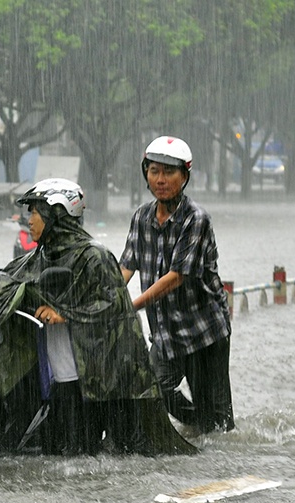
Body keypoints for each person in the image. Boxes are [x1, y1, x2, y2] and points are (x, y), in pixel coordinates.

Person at [0, 178, 191, 457]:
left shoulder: (94, 257)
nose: (29, 220)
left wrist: (66, 313)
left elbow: (115, 308)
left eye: (35, 212)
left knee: (83, 461)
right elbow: (1, 280)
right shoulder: (42, 255)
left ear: (57, 215)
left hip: (90, 385)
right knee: (52, 455)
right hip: (56, 380)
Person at [120, 136, 235, 434]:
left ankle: (212, 436)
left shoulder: (196, 220)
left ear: (184, 177)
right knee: (152, 389)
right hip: (166, 333)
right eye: (154, 171)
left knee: (218, 422)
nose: (161, 180)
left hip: (203, 332)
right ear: (146, 174)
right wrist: (107, 299)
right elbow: (126, 267)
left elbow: (176, 277)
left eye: (169, 172)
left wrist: (131, 306)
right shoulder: (141, 217)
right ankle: (195, 427)